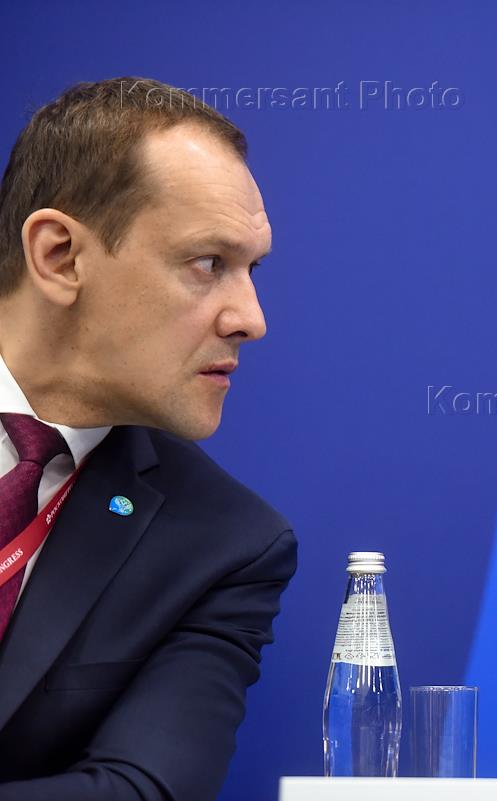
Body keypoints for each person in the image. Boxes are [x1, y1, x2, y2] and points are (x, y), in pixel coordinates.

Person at [0, 78, 295, 800]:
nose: (252, 319)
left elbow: (143, 791)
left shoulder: (225, 544)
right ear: (61, 256)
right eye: (208, 263)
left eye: (251, 269)